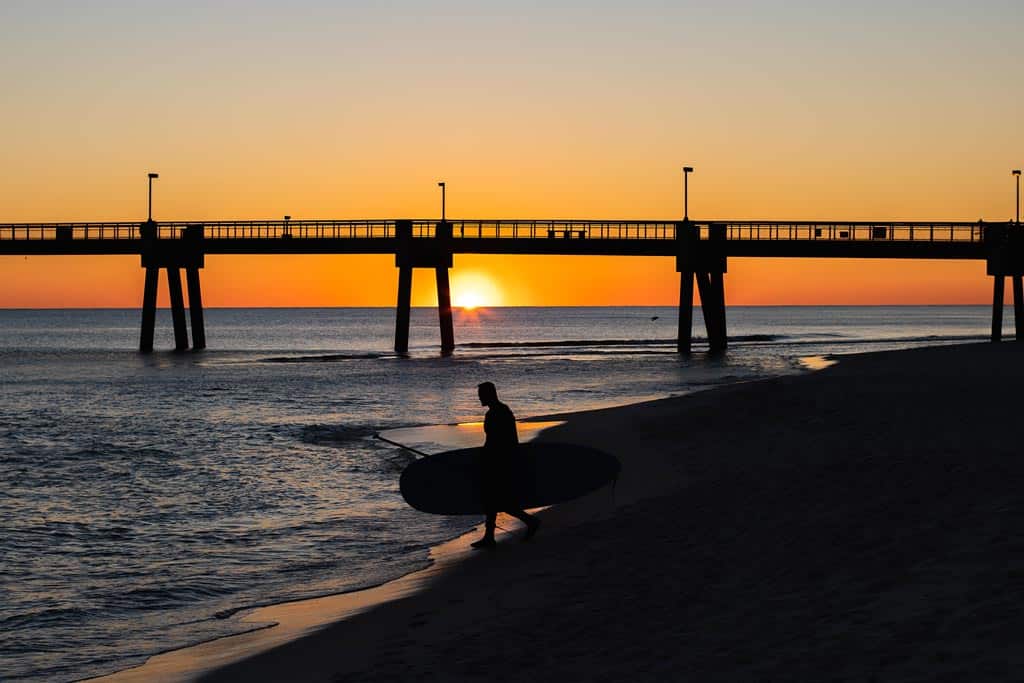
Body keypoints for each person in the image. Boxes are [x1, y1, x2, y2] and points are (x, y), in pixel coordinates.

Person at [471, 382, 540, 549]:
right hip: (500, 460)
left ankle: (531, 521)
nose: (479, 397)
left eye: (481, 394)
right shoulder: (502, 411)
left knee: (499, 501)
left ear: (489, 394)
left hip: (500, 463)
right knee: (492, 500)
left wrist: (489, 459)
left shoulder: (497, 413)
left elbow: (498, 441)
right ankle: (489, 537)